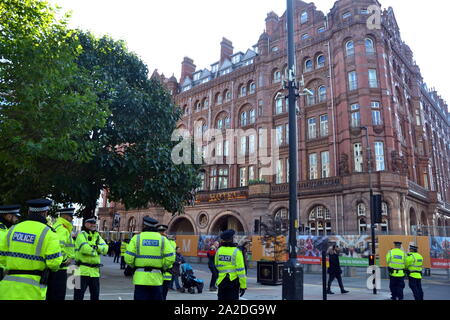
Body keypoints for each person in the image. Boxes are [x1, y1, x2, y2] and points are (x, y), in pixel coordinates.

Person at [0, 199, 63, 300]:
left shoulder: (12, 229)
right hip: (33, 290)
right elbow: (54, 263)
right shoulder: (49, 233)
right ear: (45, 213)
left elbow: (2, 258)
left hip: (8, 288)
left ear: (29, 212)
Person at [124, 217, 175, 300]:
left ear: (144, 225)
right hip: (156, 279)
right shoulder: (163, 239)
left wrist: (134, 267)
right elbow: (171, 258)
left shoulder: (137, 238)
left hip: (140, 279)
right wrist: (163, 267)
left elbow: (128, 258)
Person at [73, 217, 108, 300]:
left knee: (95, 296)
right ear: (85, 224)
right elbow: (85, 249)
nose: (93, 225)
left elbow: (106, 249)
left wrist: (95, 247)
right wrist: (98, 250)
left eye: (94, 223)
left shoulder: (98, 236)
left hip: (95, 272)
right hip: (80, 270)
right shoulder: (81, 235)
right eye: (91, 223)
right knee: (78, 296)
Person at [46, 207, 75, 300]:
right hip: (60, 267)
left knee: (53, 294)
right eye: (71, 216)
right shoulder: (62, 229)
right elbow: (59, 247)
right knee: (58, 295)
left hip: (58, 267)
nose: (72, 219)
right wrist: (65, 259)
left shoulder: (59, 226)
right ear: (65, 216)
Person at [215, 230, 247, 300]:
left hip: (221, 282)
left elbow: (216, 265)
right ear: (231, 239)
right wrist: (243, 286)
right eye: (234, 237)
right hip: (233, 283)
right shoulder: (236, 252)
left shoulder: (219, 250)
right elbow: (241, 271)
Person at [0, 205, 21, 280]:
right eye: (16, 217)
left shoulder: (6, 230)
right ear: (9, 216)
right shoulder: (5, 233)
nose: (17, 219)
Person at [157, 224, 174, 300]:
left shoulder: (170, 242)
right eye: (161, 232)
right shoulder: (157, 241)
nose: (162, 233)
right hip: (158, 273)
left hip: (165, 273)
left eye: (162, 231)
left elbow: (172, 257)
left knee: (163, 295)